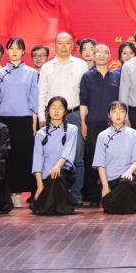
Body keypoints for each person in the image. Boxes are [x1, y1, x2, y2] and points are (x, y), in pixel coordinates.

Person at [38, 31, 86, 206]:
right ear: (55, 45)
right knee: (53, 156)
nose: (64, 47)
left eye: (67, 43)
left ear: (72, 45)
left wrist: (83, 119)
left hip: (74, 114)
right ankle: (52, 192)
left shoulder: (81, 65)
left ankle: (76, 195)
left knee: (77, 157)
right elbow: (42, 93)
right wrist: (42, 117)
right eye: (60, 43)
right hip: (52, 117)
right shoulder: (47, 67)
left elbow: (85, 93)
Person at [0, 36, 39, 208]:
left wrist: (34, 121)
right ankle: (7, 193)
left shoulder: (31, 73)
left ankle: (18, 194)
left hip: (24, 119)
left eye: (18, 48)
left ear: (23, 51)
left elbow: (34, 99)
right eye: (11, 48)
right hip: (4, 119)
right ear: (6, 51)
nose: (14, 51)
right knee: (7, 157)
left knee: (22, 156)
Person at [80, 42, 121, 206]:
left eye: (105, 52)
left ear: (110, 56)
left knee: (113, 159)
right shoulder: (87, 77)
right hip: (93, 124)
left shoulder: (117, 76)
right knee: (93, 159)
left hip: (113, 125)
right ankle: (94, 196)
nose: (101, 55)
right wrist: (83, 123)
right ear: (93, 55)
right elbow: (83, 103)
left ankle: (112, 192)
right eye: (98, 52)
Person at [93, 101, 136, 214]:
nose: (118, 115)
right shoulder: (102, 136)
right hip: (109, 180)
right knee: (115, 192)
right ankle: (123, 205)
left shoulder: (134, 134)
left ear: (126, 114)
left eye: (121, 111)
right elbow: (100, 164)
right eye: (114, 112)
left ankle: (113, 204)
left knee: (125, 183)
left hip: (127, 178)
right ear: (109, 115)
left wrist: (129, 172)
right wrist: (105, 186)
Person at [31, 96, 78, 215]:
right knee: (51, 181)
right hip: (46, 176)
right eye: (53, 107)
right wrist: (40, 186)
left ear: (65, 111)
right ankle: (61, 205)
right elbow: (37, 159)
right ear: (47, 110)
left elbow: (67, 152)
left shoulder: (72, 129)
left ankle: (45, 206)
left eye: (60, 108)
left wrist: (57, 166)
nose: (56, 111)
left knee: (57, 177)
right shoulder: (40, 133)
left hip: (64, 172)